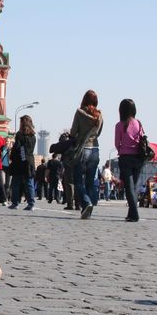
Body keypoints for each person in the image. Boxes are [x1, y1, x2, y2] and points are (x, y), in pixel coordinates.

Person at [70, 90, 103, 220]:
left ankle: (86, 203)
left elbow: (73, 132)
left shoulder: (79, 113)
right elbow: (98, 132)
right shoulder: (99, 115)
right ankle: (88, 208)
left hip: (83, 149)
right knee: (90, 180)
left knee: (78, 179)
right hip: (95, 149)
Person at [115, 98, 143, 222]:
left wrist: (122, 149)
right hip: (138, 158)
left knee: (129, 187)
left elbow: (117, 143)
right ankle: (131, 213)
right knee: (134, 186)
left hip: (125, 157)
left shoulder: (120, 125)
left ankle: (135, 213)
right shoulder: (138, 123)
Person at [8, 115, 37, 211]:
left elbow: (17, 148)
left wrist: (11, 157)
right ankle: (31, 203)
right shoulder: (33, 136)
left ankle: (15, 203)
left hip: (19, 162)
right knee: (29, 183)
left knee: (16, 183)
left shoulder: (19, 135)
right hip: (29, 161)